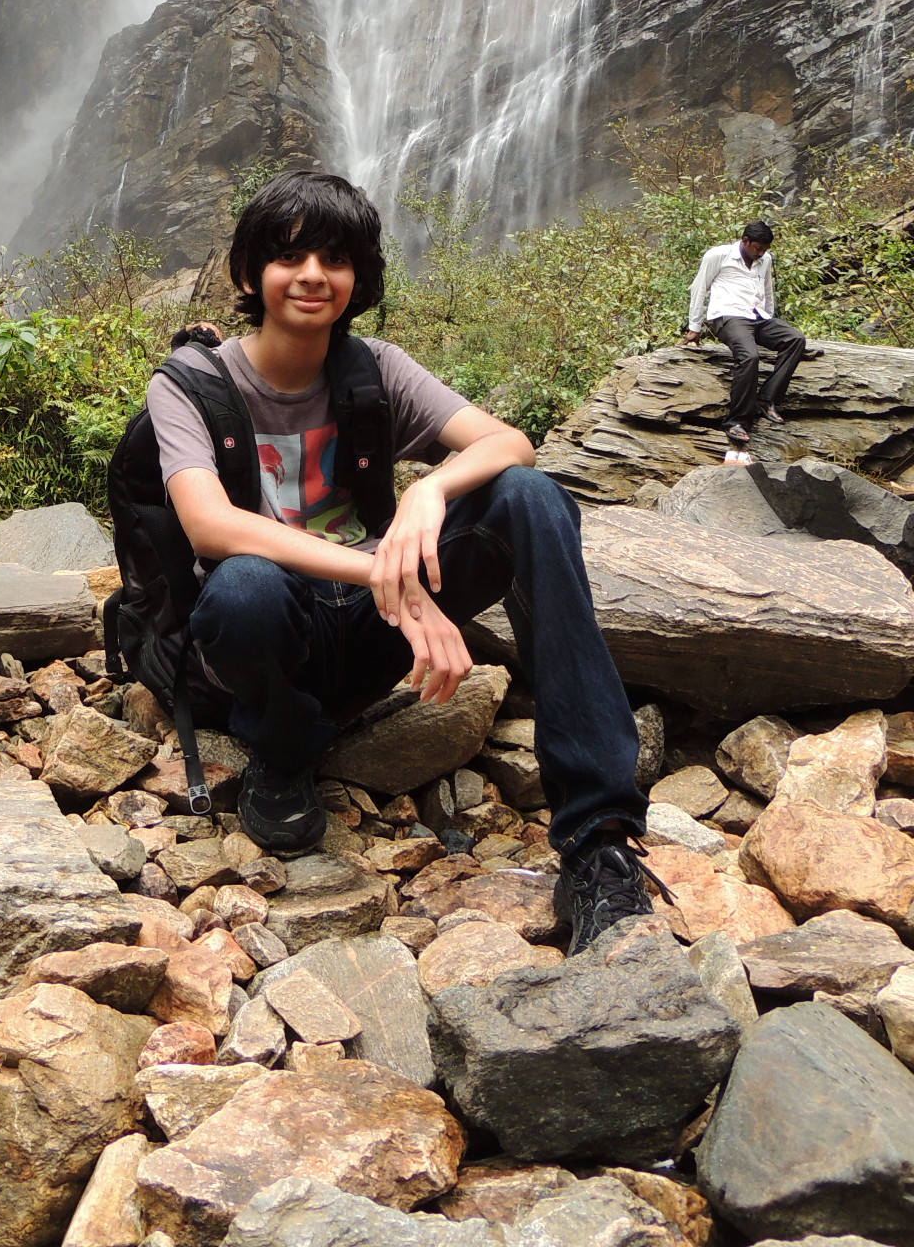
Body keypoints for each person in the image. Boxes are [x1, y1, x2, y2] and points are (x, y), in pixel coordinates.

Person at [147, 170, 651, 955]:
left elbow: (509, 443)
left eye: (335, 258)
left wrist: (430, 491)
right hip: (264, 639)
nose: (313, 275)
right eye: (289, 256)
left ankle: (599, 840)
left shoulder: (375, 368)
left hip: (369, 629)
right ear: (248, 273)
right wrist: (394, 581)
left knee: (530, 497)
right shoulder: (191, 383)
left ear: (359, 278)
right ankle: (281, 749)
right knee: (244, 585)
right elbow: (209, 525)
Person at [683, 219, 805, 445]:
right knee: (749, 357)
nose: (761, 253)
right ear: (745, 241)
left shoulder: (765, 260)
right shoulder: (718, 255)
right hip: (729, 317)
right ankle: (737, 421)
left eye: (765, 249)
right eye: (758, 248)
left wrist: (769, 318)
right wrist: (694, 327)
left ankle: (766, 399)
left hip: (758, 317)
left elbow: (767, 291)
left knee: (795, 340)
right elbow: (698, 289)